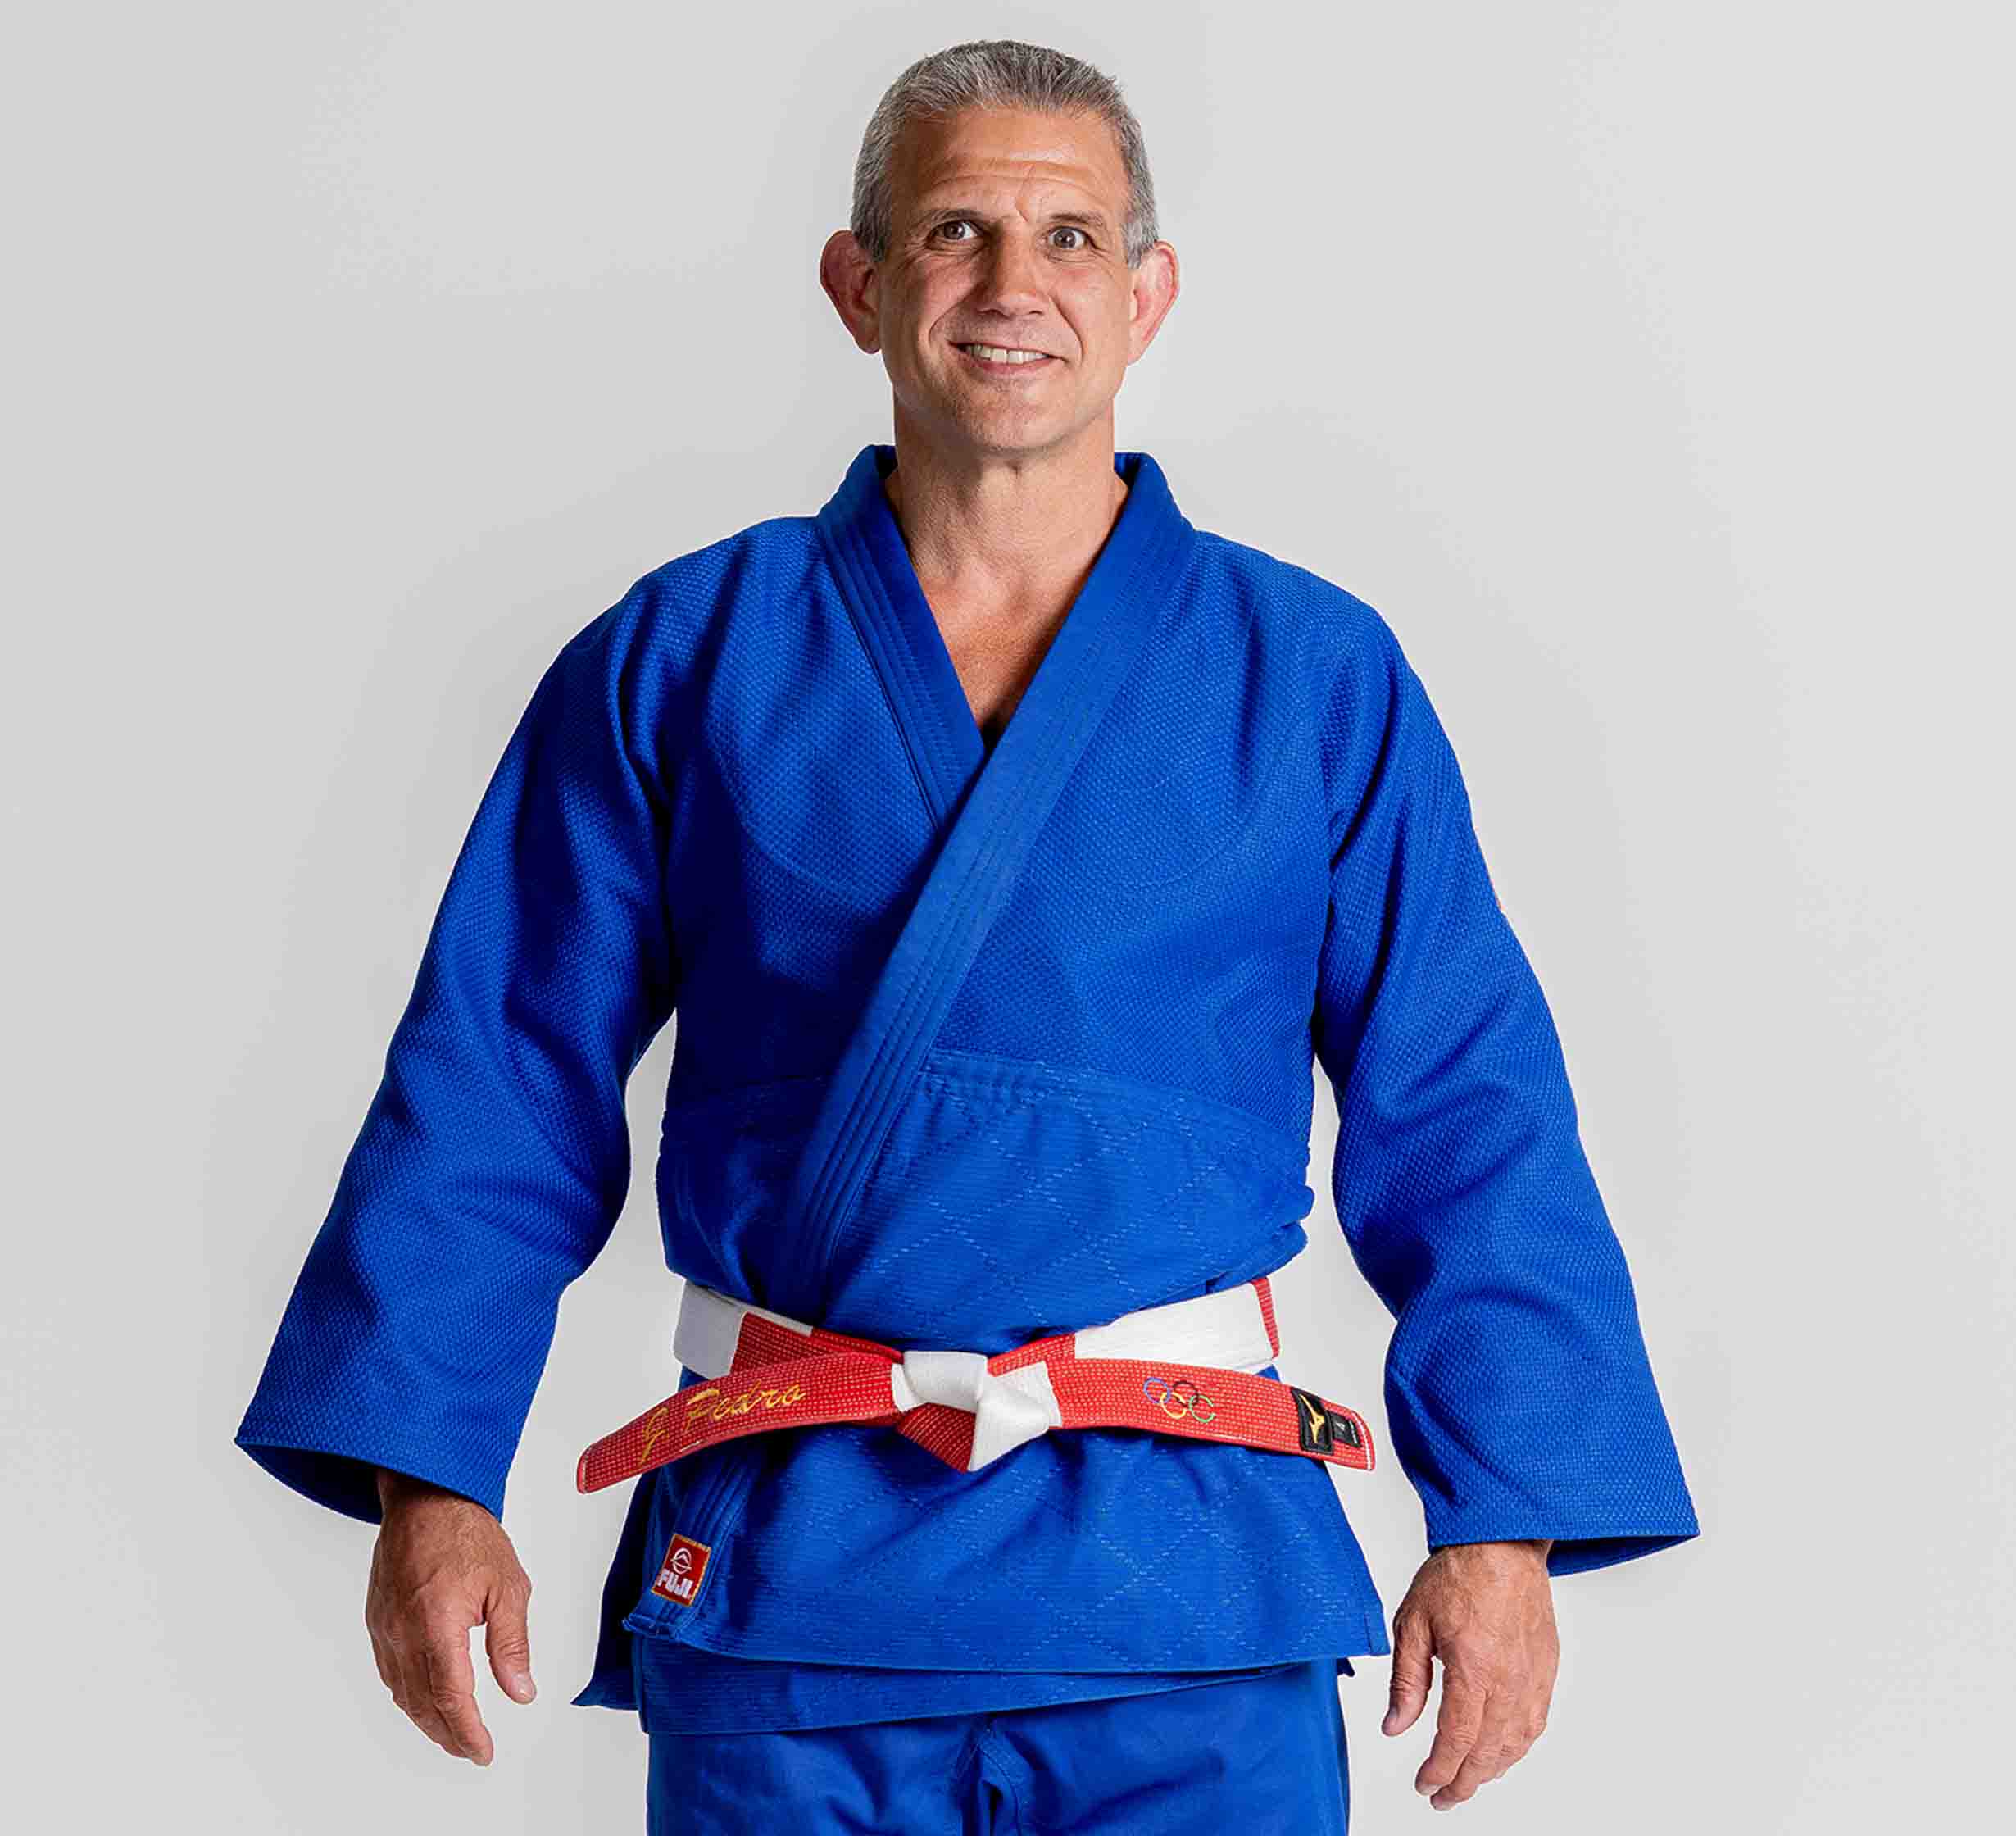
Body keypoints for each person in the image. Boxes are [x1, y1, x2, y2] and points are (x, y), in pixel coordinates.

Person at [236, 37, 1698, 1833]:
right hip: (796, 1579)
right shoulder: (683, 657)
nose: (1016, 287)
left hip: (1188, 1589)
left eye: (1073, 238)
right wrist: (427, 1483)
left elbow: (1469, 1109)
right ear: (858, 286)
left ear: (1150, 297)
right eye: (953, 230)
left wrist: (1506, 1520)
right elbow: (494, 1076)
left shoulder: (1310, 680)